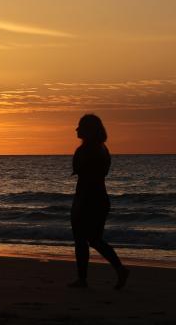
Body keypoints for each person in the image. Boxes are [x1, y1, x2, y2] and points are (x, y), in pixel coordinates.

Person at [68, 114, 129, 289]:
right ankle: (118, 270)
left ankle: (83, 279)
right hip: (99, 198)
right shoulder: (102, 148)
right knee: (94, 239)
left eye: (80, 126)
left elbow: (86, 178)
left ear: (88, 130)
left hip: (89, 198)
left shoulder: (88, 150)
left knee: (82, 239)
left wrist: (79, 203)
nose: (76, 129)